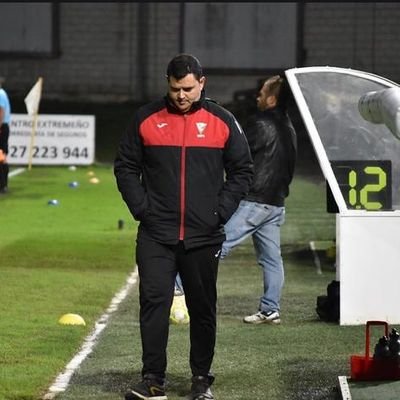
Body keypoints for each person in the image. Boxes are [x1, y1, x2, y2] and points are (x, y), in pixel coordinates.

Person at [114, 54, 253, 400]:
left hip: (203, 235)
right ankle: (153, 380)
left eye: (188, 88)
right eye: (175, 88)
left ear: (202, 83)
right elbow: (125, 166)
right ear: (167, 83)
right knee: (154, 303)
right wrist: (142, 209)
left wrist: (219, 212)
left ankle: (201, 378)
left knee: (202, 308)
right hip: (155, 234)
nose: (181, 95)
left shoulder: (222, 120)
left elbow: (243, 171)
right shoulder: (145, 118)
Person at [220, 75, 297, 325]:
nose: (258, 97)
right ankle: (270, 309)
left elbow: (236, 154)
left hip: (254, 201)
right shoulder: (289, 127)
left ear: (272, 99)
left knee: (214, 245)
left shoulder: (260, 123)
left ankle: (179, 291)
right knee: (272, 259)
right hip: (276, 203)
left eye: (262, 93)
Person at [0, 77, 11, 194]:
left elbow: (1, 112)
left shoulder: (0, 94)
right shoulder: (2, 93)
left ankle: (3, 185)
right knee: (1, 156)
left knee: (0, 156)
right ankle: (3, 185)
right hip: (3, 127)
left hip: (2, 128)